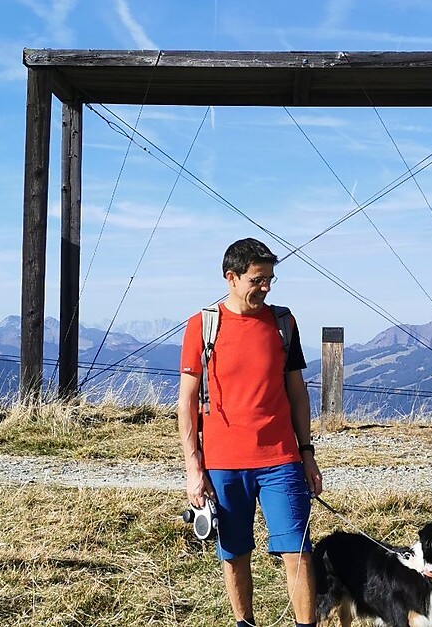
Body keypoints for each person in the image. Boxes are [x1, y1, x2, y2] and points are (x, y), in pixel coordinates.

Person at [178, 237, 323, 627]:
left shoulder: (283, 323)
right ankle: (246, 624)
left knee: (298, 551)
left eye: (270, 279)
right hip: (224, 464)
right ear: (231, 277)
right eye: (257, 280)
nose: (266, 287)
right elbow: (186, 404)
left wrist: (307, 453)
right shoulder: (202, 326)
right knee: (235, 553)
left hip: (282, 459)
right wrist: (194, 470)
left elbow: (297, 393)